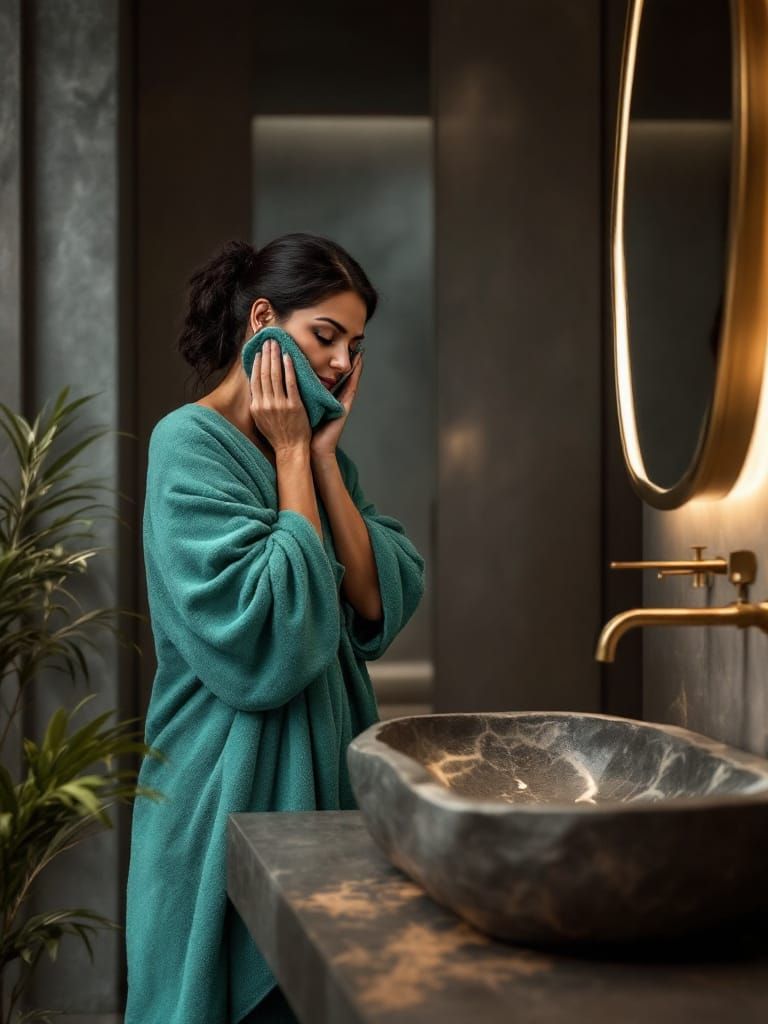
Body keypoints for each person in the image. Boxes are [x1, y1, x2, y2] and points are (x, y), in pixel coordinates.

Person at [124, 233, 426, 1024]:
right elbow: (272, 638)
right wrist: (293, 455)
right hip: (220, 795)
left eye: (355, 347)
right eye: (325, 335)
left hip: (323, 794)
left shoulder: (320, 459)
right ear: (263, 320)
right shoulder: (187, 444)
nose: (341, 363)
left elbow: (377, 598)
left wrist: (320, 458)